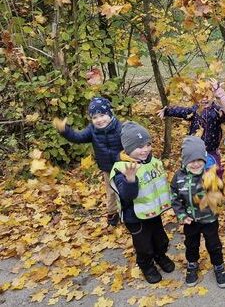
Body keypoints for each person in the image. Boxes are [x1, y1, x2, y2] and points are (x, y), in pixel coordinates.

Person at [109, 122, 174, 284]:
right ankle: (146, 265)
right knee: (143, 245)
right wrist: (130, 180)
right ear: (128, 148)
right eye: (139, 147)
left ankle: (160, 255)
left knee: (160, 238)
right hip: (135, 216)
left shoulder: (152, 161)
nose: (145, 149)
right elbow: (126, 196)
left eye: (148, 144)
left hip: (153, 211)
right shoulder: (122, 168)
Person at [171, 136, 225, 288]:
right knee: (191, 244)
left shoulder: (210, 175)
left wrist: (214, 191)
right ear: (184, 161)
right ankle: (192, 265)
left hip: (209, 219)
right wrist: (181, 215)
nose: (196, 164)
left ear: (204, 159)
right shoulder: (178, 177)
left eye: (199, 160)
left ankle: (218, 266)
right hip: (190, 221)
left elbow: (220, 198)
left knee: (214, 244)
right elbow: (175, 198)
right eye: (191, 160)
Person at [53, 96, 123, 226]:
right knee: (111, 192)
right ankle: (113, 215)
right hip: (107, 169)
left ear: (109, 113)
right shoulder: (92, 130)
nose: (99, 120)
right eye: (94, 117)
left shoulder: (120, 127)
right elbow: (77, 137)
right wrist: (65, 130)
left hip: (124, 167)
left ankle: (130, 215)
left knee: (125, 191)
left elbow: (131, 142)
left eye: (102, 115)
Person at [157, 95, 225, 178]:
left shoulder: (217, 110)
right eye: (201, 96)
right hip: (195, 152)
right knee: (193, 175)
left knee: (214, 176)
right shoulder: (195, 110)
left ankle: (214, 189)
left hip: (211, 151)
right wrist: (167, 111)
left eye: (208, 96)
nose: (204, 98)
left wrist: (222, 111)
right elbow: (182, 111)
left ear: (213, 96)